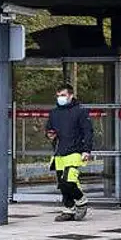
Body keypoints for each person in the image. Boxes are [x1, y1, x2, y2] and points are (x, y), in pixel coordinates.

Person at [45, 84, 93, 222]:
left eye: (63, 95)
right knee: (62, 184)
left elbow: (88, 132)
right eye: (58, 95)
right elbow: (49, 129)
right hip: (59, 152)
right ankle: (68, 209)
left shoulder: (80, 111)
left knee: (68, 181)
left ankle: (81, 201)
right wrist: (50, 134)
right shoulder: (54, 113)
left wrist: (86, 150)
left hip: (75, 152)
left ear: (71, 96)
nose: (60, 98)